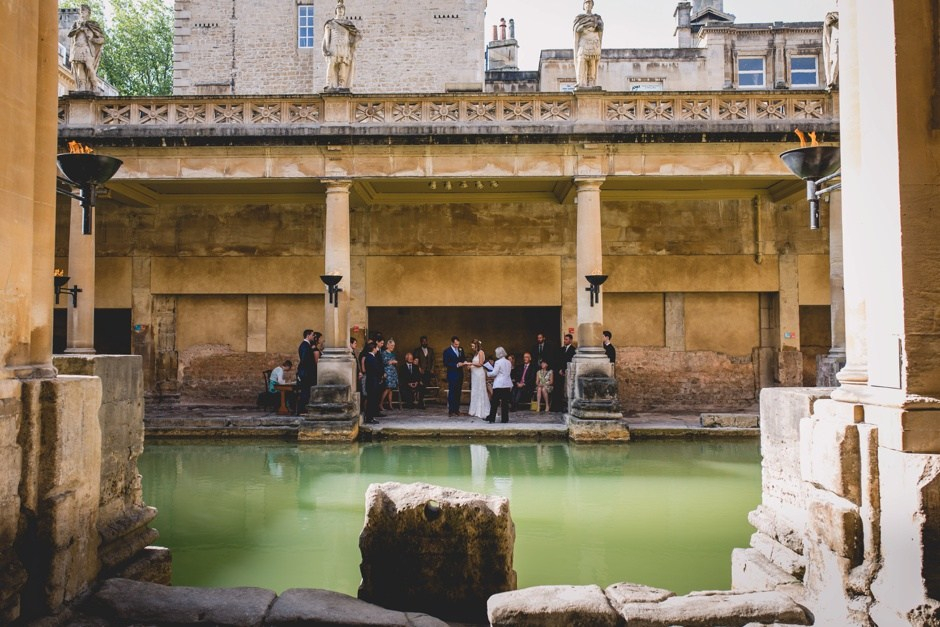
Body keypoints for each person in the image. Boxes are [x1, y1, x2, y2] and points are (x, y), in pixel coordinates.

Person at [322, 0, 361, 91]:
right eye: (339, 8)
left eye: (342, 8)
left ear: (344, 11)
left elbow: (358, 35)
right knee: (331, 64)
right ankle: (329, 84)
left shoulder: (348, 24)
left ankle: (341, 85)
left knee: (342, 65)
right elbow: (326, 38)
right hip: (333, 47)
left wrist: (353, 43)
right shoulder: (330, 23)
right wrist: (326, 49)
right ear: (336, 10)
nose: (340, 10)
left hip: (344, 46)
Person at [67, 4, 105, 93]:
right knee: (79, 67)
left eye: (84, 10)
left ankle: (94, 85)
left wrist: (92, 38)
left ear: (89, 13)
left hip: (87, 48)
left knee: (89, 66)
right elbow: (70, 34)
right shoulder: (76, 23)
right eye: (81, 11)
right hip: (77, 47)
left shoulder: (92, 24)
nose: (82, 12)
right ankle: (82, 86)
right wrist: (78, 29)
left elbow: (102, 39)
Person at [573, 0, 603, 89]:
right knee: (581, 60)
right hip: (583, 42)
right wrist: (586, 26)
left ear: (592, 5)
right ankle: (580, 82)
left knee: (592, 63)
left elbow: (600, 28)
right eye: (586, 3)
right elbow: (577, 29)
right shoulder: (579, 18)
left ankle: (592, 83)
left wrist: (595, 25)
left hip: (594, 42)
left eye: (590, 3)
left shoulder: (597, 18)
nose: (588, 5)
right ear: (584, 5)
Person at [485, 347, 513, 424]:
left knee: (494, 402)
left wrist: (487, 373)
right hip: (507, 384)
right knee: (505, 403)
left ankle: (492, 418)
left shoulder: (498, 362)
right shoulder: (508, 362)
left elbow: (494, 373)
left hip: (499, 384)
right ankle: (505, 419)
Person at [442, 336, 468, 417]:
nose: (457, 346)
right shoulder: (447, 351)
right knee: (452, 392)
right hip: (452, 374)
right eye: (456, 344)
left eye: (458, 344)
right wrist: (456, 365)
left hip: (460, 374)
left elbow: (463, 358)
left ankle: (457, 410)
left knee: (458, 392)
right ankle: (451, 410)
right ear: (452, 343)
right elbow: (446, 363)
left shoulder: (461, 349)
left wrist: (464, 362)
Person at [467, 339, 491, 419]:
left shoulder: (481, 352)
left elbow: (480, 363)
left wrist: (470, 363)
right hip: (475, 375)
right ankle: (474, 410)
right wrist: (470, 367)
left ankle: (481, 410)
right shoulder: (476, 354)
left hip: (479, 374)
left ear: (477, 345)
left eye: (473, 346)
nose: (472, 347)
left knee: (480, 390)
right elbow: (476, 364)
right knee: (475, 390)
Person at [363, 341, 384, 423]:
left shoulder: (370, 357)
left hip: (373, 380)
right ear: (373, 349)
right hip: (372, 381)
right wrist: (381, 374)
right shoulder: (370, 357)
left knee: (373, 399)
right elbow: (375, 369)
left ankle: (371, 417)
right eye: (376, 348)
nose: (377, 350)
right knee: (371, 400)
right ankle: (369, 418)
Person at [296, 329, 317, 414]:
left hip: (306, 372)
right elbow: (304, 360)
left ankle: (304, 410)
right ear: (308, 336)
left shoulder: (306, 345)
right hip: (306, 373)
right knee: (305, 392)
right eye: (312, 335)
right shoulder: (305, 346)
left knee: (306, 392)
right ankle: (302, 410)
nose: (313, 337)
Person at [557, 333, 576, 407]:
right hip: (561, 371)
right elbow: (559, 360)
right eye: (564, 339)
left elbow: (570, 361)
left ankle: (567, 405)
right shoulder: (562, 349)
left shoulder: (573, 350)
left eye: (566, 339)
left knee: (567, 389)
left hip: (568, 371)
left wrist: (565, 370)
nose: (564, 341)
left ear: (571, 340)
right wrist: (560, 369)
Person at [380, 338, 399, 410]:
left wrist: (395, 362)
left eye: (393, 346)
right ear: (387, 345)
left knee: (391, 389)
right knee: (387, 388)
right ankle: (380, 404)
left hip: (393, 373)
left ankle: (390, 405)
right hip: (387, 373)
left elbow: (394, 363)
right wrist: (391, 362)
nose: (393, 347)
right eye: (391, 345)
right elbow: (383, 363)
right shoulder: (383, 353)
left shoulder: (393, 354)